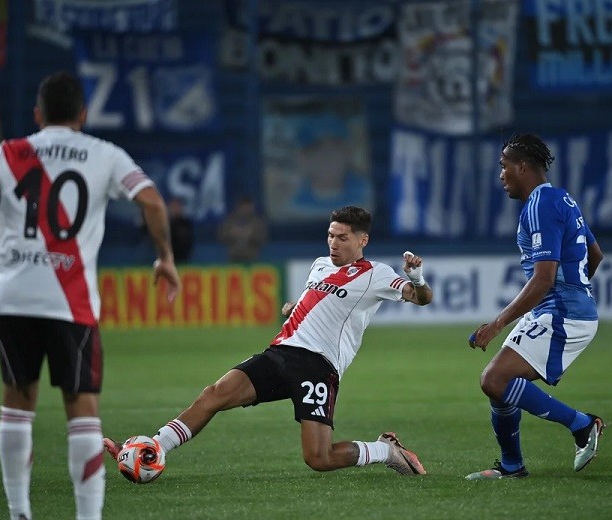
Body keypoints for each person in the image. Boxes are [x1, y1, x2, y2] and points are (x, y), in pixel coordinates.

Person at [0, 71, 180, 520]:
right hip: (70, 302)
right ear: (83, 114)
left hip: (12, 298)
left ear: (37, 115)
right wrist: (164, 258)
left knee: (17, 405)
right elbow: (153, 202)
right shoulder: (105, 154)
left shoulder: (8, 153)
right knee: (82, 408)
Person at [105, 206, 433, 477]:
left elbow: (421, 298)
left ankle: (385, 450)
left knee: (319, 458)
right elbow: (316, 304)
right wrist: (294, 309)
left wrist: (416, 278)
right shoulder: (320, 265)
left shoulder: (375, 274)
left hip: (318, 367)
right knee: (214, 394)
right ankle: (155, 447)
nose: (333, 243)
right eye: (330, 235)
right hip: (280, 354)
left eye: (342, 238)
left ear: (362, 240)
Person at [465, 133, 605, 480]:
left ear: (522, 166)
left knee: (494, 379)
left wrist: (496, 324)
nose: (501, 175)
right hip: (559, 308)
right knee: (499, 383)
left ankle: (582, 425)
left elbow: (543, 278)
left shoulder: (541, 204)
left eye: (504, 166)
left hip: (563, 312)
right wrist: (578, 288)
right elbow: (595, 254)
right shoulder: (562, 199)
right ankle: (512, 466)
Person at [217, 196, 268, 263]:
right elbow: (221, 236)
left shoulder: (258, 223)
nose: (246, 209)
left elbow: (262, 239)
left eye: (248, 207)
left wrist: (250, 235)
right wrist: (232, 233)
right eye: (244, 207)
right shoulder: (230, 221)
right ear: (239, 207)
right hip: (233, 258)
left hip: (252, 259)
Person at [167, 197, 194, 263]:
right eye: (173, 206)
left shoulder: (186, 223)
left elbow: (190, 240)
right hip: (167, 255)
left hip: (183, 256)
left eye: (177, 206)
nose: (175, 209)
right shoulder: (165, 223)